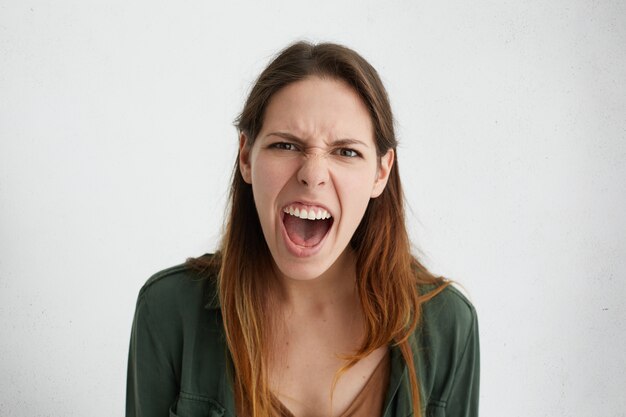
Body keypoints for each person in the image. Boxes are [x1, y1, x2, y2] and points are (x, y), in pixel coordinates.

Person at [126, 41, 479, 417]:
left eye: (346, 152)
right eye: (286, 145)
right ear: (246, 156)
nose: (312, 175)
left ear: (381, 172)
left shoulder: (449, 326)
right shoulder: (168, 310)